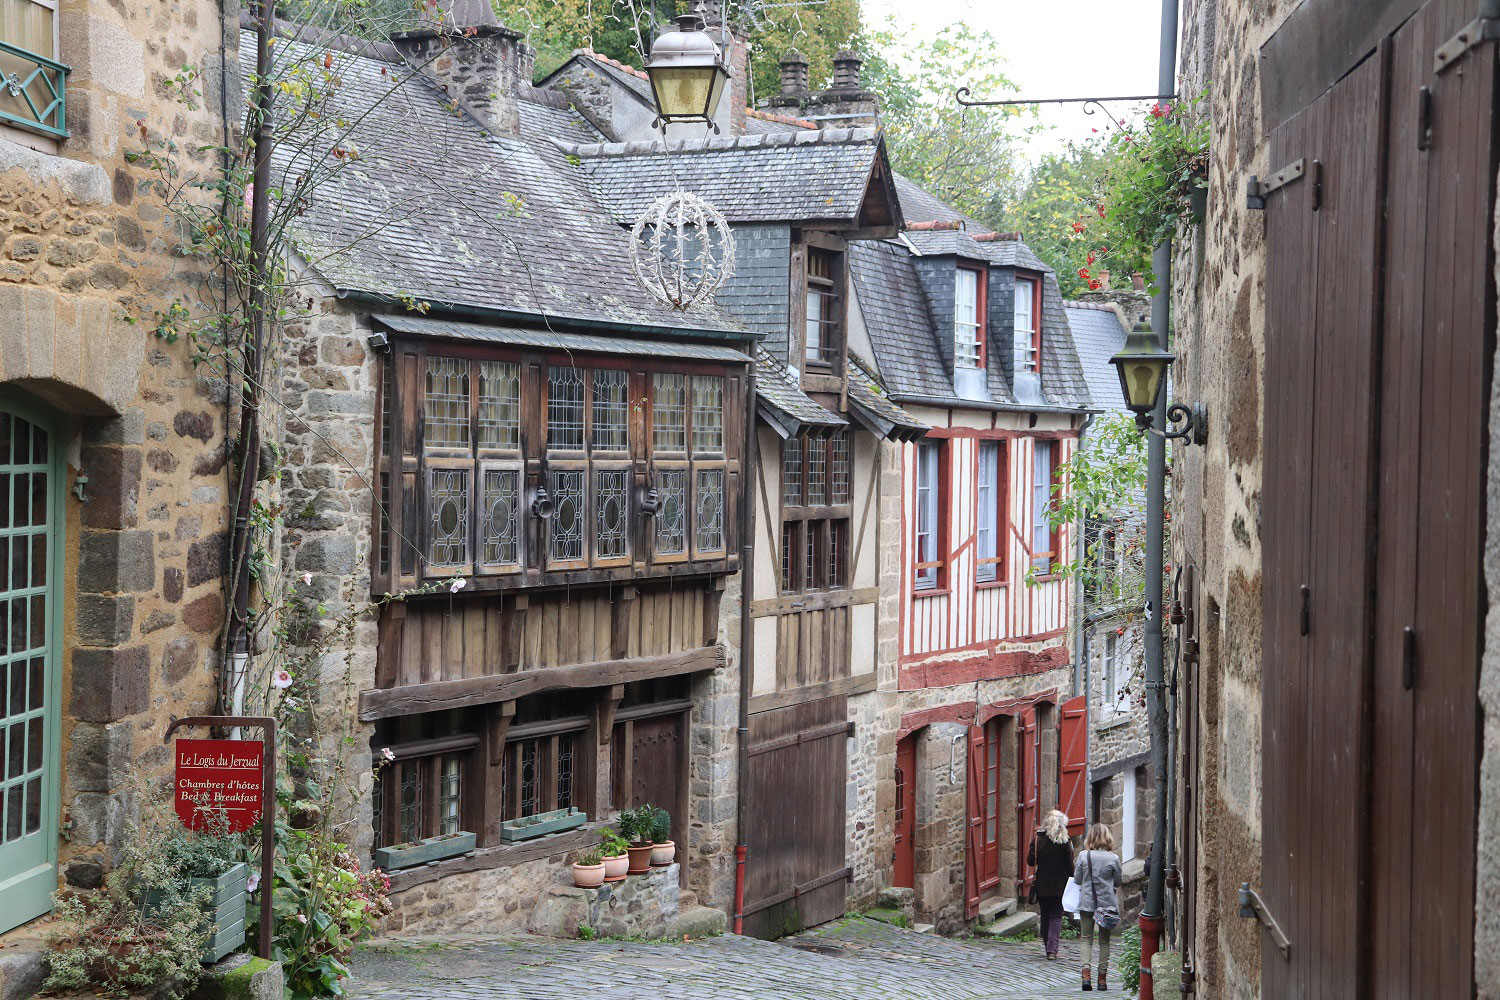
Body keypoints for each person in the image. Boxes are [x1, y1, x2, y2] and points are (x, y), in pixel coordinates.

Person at [1075, 823, 1123, 992]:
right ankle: (1102, 979)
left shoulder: (1082, 856)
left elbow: (1077, 880)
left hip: (1087, 902)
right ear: (1107, 838)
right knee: (1104, 941)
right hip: (1107, 904)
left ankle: (1086, 976)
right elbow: (1118, 881)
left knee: (1086, 938)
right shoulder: (1113, 858)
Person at [1028, 809, 1075, 960]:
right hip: (1060, 885)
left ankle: (1047, 945)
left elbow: (1030, 861)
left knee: (1045, 915)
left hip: (1042, 884)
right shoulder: (1065, 842)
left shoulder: (1038, 840)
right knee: (1056, 916)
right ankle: (1052, 949)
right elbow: (1070, 867)